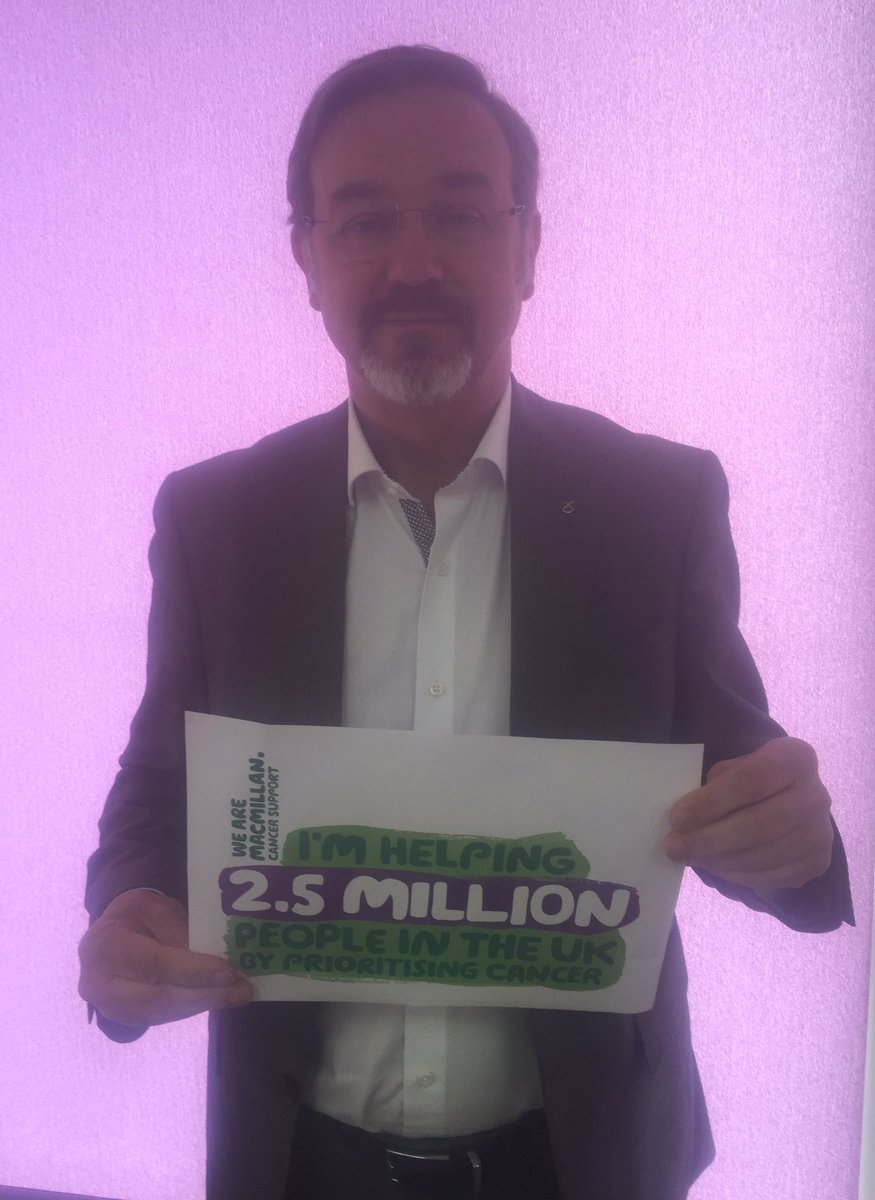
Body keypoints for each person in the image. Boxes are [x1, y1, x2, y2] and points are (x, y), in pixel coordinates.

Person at [79, 45, 853, 1200]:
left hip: (578, 1162)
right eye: (363, 222)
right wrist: (126, 911)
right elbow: (158, 787)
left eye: (457, 213)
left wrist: (793, 840)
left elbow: (737, 787)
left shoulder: (656, 508)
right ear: (307, 260)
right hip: (300, 1164)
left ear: (527, 247)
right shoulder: (216, 521)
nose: (413, 263)